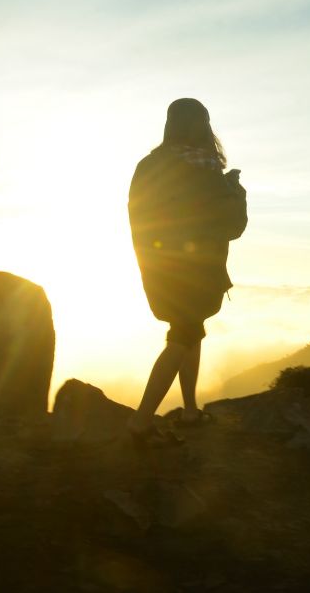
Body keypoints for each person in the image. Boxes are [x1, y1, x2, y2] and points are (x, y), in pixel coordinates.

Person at [126, 98, 246, 446]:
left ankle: (191, 411)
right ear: (202, 126)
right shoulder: (203, 169)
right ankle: (140, 422)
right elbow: (231, 225)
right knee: (183, 336)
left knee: (190, 331)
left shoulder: (150, 165)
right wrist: (235, 193)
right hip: (194, 270)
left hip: (159, 265)